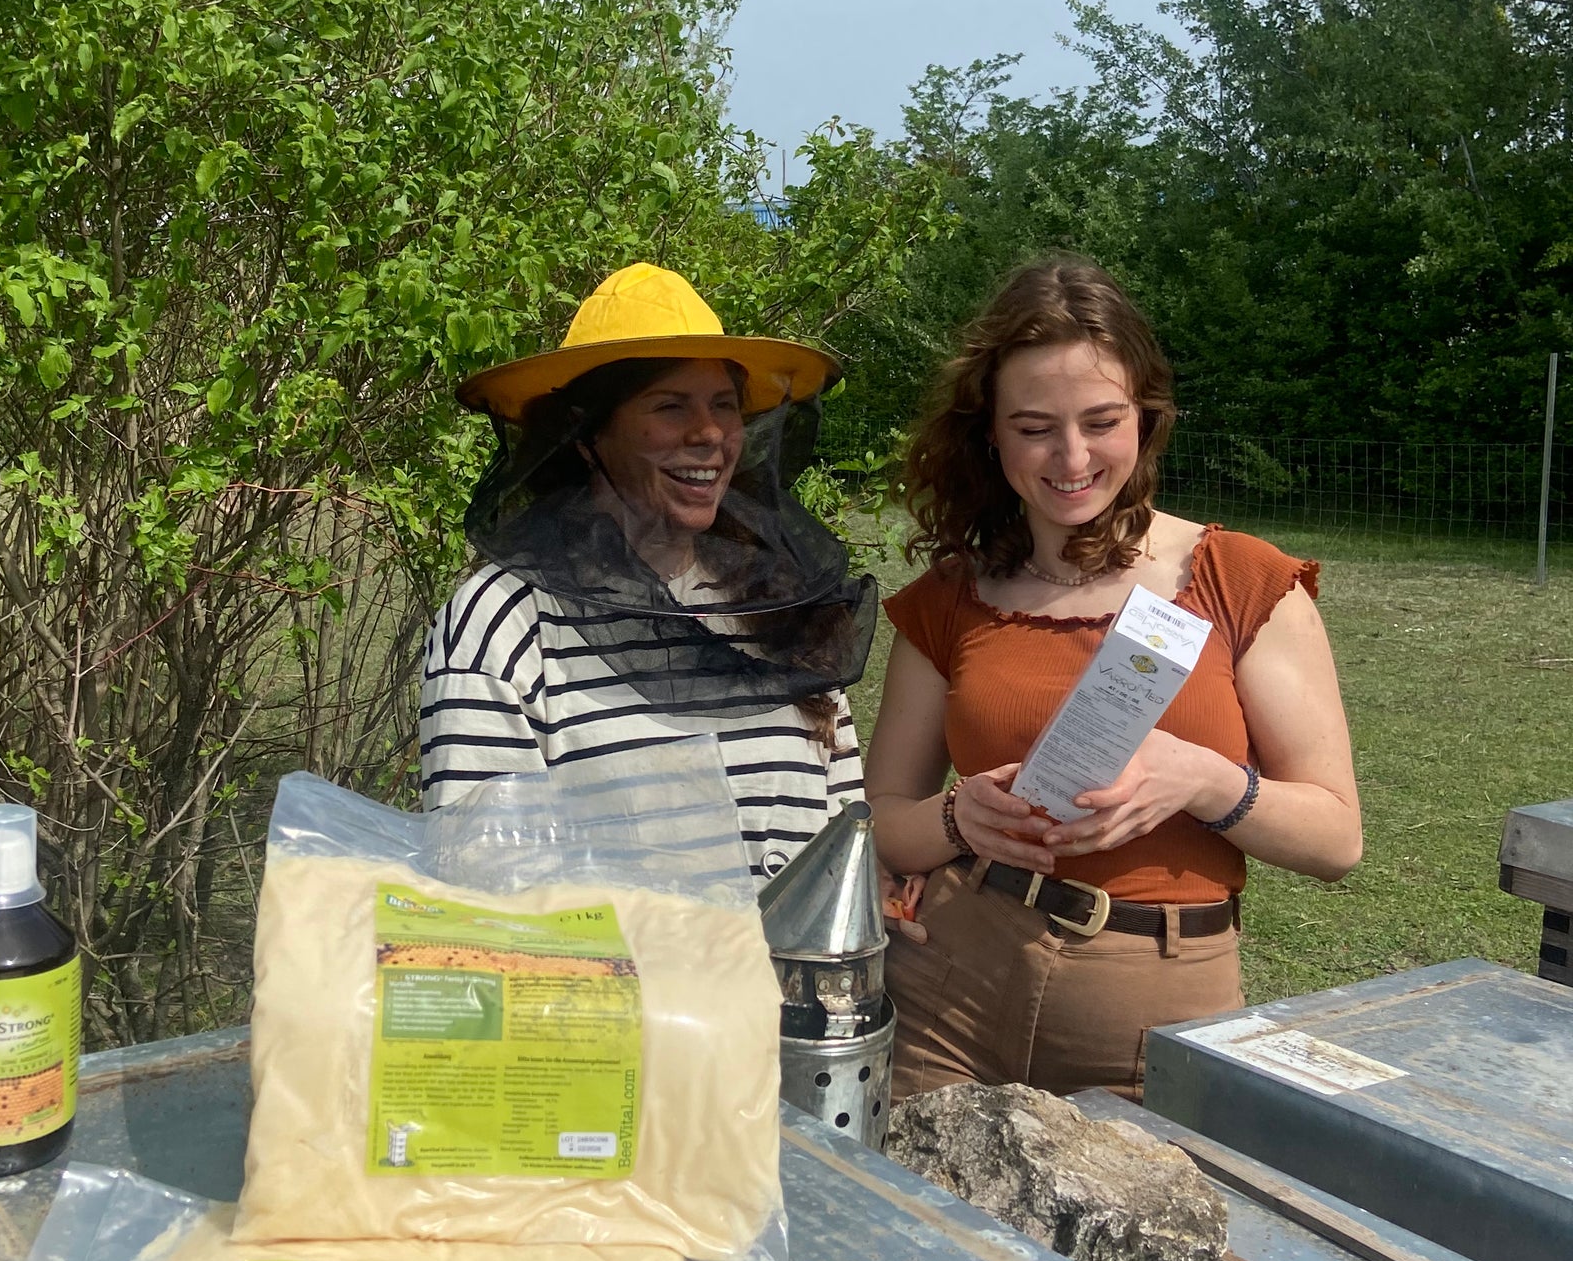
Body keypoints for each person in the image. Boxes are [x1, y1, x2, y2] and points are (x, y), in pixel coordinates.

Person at [865, 256, 1361, 1099]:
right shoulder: (950, 596)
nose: (1071, 456)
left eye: (1102, 421)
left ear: (1147, 417)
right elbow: (879, 823)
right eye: (1033, 427)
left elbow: (1336, 841)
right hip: (948, 1002)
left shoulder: (1241, 580)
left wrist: (1203, 780)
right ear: (989, 430)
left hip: (1155, 1015)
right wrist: (958, 816)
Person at [422, 263, 877, 878]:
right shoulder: (505, 621)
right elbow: (482, 879)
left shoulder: (783, 601)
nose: (710, 433)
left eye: (724, 405)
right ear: (588, 436)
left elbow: (845, 848)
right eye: (670, 406)